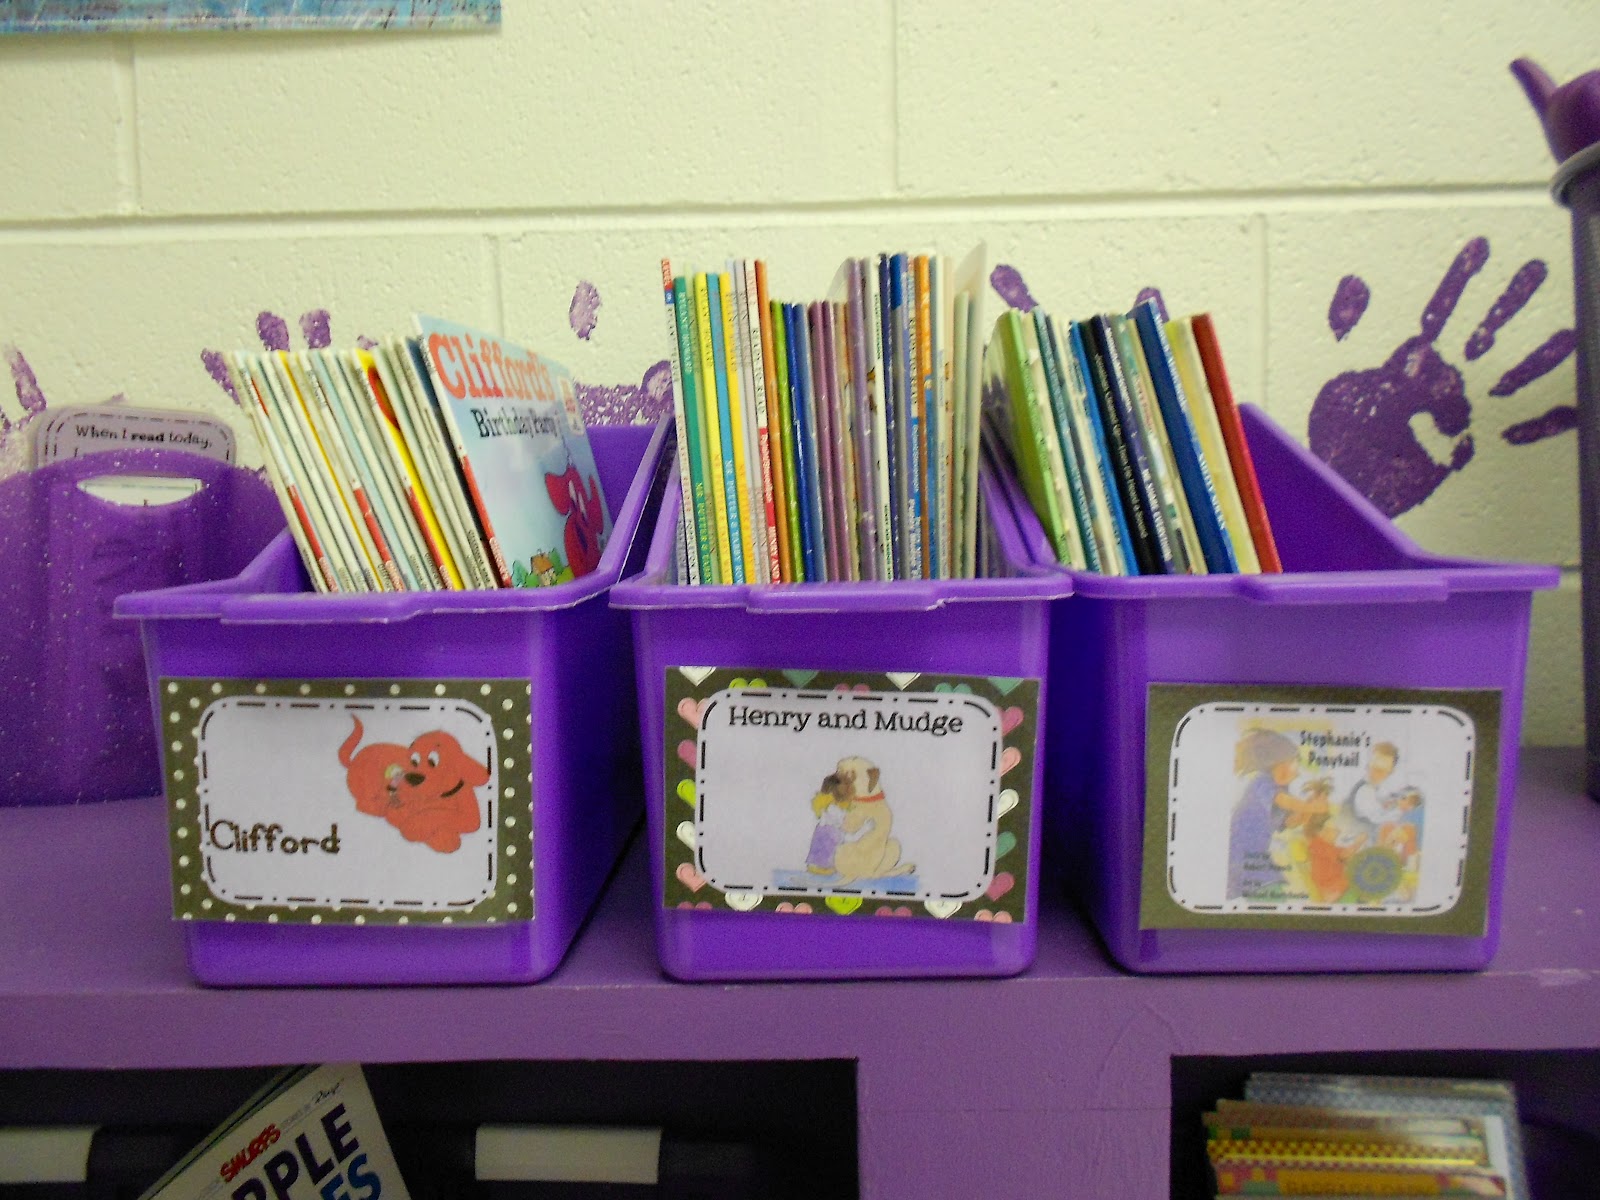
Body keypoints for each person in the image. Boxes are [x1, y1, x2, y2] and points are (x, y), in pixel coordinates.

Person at [1228, 729, 1301, 900]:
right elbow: (1283, 802)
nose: (1296, 769)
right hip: (1240, 857)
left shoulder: (1281, 788)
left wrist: (1305, 815)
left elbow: (1288, 822)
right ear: (1275, 763)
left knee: (1270, 894)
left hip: (1257, 858)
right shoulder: (1262, 781)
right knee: (1270, 894)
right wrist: (1312, 807)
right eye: (1292, 762)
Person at [1347, 742, 1399, 832]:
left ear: (1390, 772)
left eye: (1382, 771)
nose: (1376, 774)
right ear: (1368, 766)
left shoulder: (1378, 789)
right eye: (1375, 768)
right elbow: (1376, 818)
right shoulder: (1365, 790)